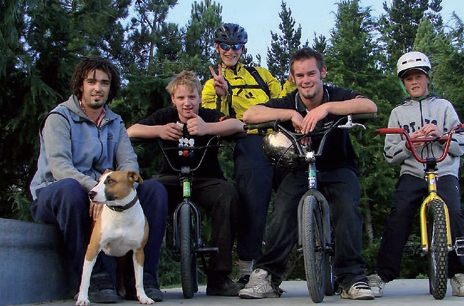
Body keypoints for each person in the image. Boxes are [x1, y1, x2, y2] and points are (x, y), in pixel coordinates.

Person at [238, 47, 378, 300]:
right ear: (292, 78)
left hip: (338, 166)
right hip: (299, 168)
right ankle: (268, 276)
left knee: (347, 208)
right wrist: (290, 114)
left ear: (323, 72)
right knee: (282, 211)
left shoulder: (336, 95)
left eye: (311, 73)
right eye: (300, 75)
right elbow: (249, 114)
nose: (306, 80)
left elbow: (369, 106)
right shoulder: (289, 102)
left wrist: (326, 109)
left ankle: (352, 279)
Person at [29, 56, 169, 303]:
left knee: (154, 190)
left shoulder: (115, 123)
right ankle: (97, 279)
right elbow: (60, 168)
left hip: (99, 193)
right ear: (80, 85)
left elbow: (128, 164)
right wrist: (95, 191)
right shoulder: (59, 118)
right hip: (55, 195)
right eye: (91, 81)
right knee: (71, 190)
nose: (98, 88)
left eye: (104, 83)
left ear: (110, 88)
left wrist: (121, 190)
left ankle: (143, 280)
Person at [127, 70, 244, 296]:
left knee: (228, 196)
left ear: (200, 97)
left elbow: (238, 125)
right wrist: (159, 131)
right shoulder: (164, 116)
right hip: (170, 178)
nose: (187, 103)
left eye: (192, 97)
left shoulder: (208, 115)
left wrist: (207, 128)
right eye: (181, 98)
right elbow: (131, 131)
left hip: (206, 178)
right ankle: (145, 277)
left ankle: (219, 276)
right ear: (173, 100)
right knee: (148, 196)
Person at [368, 51, 464, 298]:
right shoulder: (398, 113)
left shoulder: (444, 107)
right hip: (413, 171)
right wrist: (412, 142)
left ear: (428, 78)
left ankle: (459, 274)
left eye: (418, 76)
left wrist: (440, 135)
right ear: (403, 82)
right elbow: (390, 155)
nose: (414, 82)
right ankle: (381, 275)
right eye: (408, 78)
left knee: (453, 211)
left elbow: (460, 144)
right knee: (399, 214)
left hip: (443, 171)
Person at [202, 23, 282, 285]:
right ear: (217, 47)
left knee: (299, 190)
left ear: (243, 48)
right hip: (247, 140)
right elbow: (212, 120)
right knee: (254, 201)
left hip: (279, 136)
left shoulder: (261, 75)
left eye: (236, 46)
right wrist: (222, 95)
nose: (230, 51)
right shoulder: (210, 84)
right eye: (225, 45)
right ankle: (247, 265)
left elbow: (283, 98)